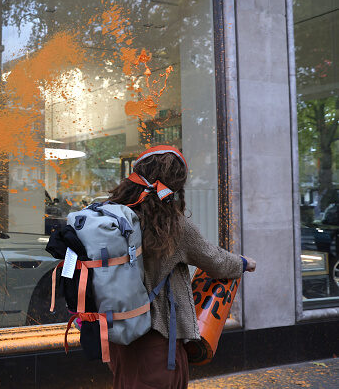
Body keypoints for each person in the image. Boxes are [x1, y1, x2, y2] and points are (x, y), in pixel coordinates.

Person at [106, 145, 256, 389]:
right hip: (156, 339)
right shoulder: (170, 225)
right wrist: (243, 263)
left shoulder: (114, 215)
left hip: (119, 336)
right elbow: (215, 261)